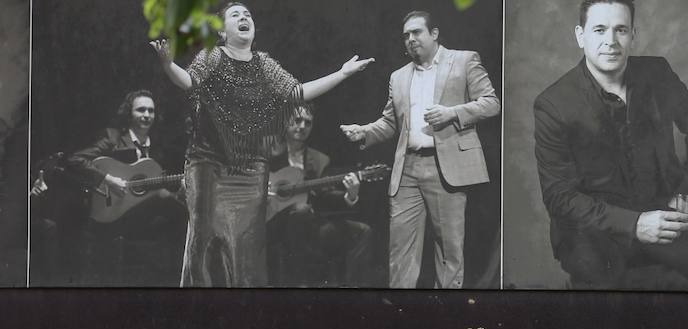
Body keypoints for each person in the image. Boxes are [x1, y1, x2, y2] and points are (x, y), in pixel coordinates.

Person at [152, 2, 374, 287]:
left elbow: (298, 93)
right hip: (209, 165)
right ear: (221, 32)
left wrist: (342, 74)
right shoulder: (213, 56)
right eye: (236, 15)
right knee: (206, 241)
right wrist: (168, 64)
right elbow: (190, 82)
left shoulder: (264, 64)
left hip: (251, 171)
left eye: (248, 14)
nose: (244, 17)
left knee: (246, 247)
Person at [532, 0, 688, 290]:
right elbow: (559, 197)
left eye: (620, 30)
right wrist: (635, 224)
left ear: (633, 35)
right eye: (599, 30)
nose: (611, 41)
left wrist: (687, 189)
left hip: (664, 215)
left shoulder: (657, 73)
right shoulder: (553, 104)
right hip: (595, 237)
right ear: (580, 36)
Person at [341, 10, 499, 289]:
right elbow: (390, 123)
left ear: (434, 33)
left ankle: (446, 316)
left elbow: (490, 103)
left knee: (449, 250)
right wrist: (365, 131)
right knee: (400, 250)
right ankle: (402, 316)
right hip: (408, 169)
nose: (411, 39)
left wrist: (452, 113)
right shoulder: (399, 76)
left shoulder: (463, 60)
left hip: (445, 166)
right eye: (406, 35)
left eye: (417, 32)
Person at [68, 90, 187, 285]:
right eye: (141, 110)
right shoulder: (113, 138)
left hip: (145, 219)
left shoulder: (159, 148)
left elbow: (160, 186)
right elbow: (75, 160)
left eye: (151, 111)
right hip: (114, 215)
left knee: (181, 210)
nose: (147, 115)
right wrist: (107, 179)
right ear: (129, 114)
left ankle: (169, 277)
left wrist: (179, 190)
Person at [267, 102, 374, 287]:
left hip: (307, 223)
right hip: (269, 222)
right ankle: (299, 285)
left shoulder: (319, 160)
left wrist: (350, 195)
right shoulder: (267, 147)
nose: (302, 126)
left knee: (362, 231)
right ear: (285, 121)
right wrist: (260, 186)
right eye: (297, 120)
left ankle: (353, 291)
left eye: (308, 122)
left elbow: (325, 197)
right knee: (301, 210)